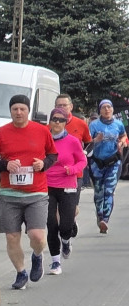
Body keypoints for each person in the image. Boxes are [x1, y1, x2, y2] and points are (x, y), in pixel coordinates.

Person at [0, 94, 57, 290]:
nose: (18, 112)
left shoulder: (41, 131)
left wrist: (43, 164)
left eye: (22, 109)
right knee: (12, 237)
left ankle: (37, 256)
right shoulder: (1, 133)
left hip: (36, 193)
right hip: (9, 194)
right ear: (10, 111)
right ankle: (21, 272)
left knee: (37, 236)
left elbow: (53, 154)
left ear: (28, 111)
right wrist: (5, 165)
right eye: (15, 109)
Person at [44, 108, 86, 275]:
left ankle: (66, 240)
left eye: (61, 120)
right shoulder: (44, 139)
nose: (57, 122)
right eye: (54, 119)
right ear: (50, 121)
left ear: (65, 122)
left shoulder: (73, 141)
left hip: (68, 185)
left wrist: (73, 169)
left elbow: (82, 161)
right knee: (51, 224)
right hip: (46, 186)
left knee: (65, 226)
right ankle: (55, 262)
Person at [54, 93, 91, 238]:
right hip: (54, 175)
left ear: (71, 106)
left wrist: (84, 153)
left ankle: (70, 221)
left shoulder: (80, 124)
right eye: (59, 105)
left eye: (65, 105)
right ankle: (62, 230)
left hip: (75, 174)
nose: (62, 107)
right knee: (56, 208)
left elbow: (89, 143)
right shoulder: (50, 125)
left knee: (72, 208)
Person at [88, 99, 127, 234]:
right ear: (100, 110)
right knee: (99, 192)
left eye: (109, 107)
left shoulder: (118, 124)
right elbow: (86, 144)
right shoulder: (94, 125)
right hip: (97, 162)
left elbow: (123, 136)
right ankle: (100, 216)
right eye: (104, 107)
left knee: (109, 191)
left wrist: (121, 142)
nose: (107, 109)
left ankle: (105, 220)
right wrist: (95, 140)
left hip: (113, 161)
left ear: (112, 109)